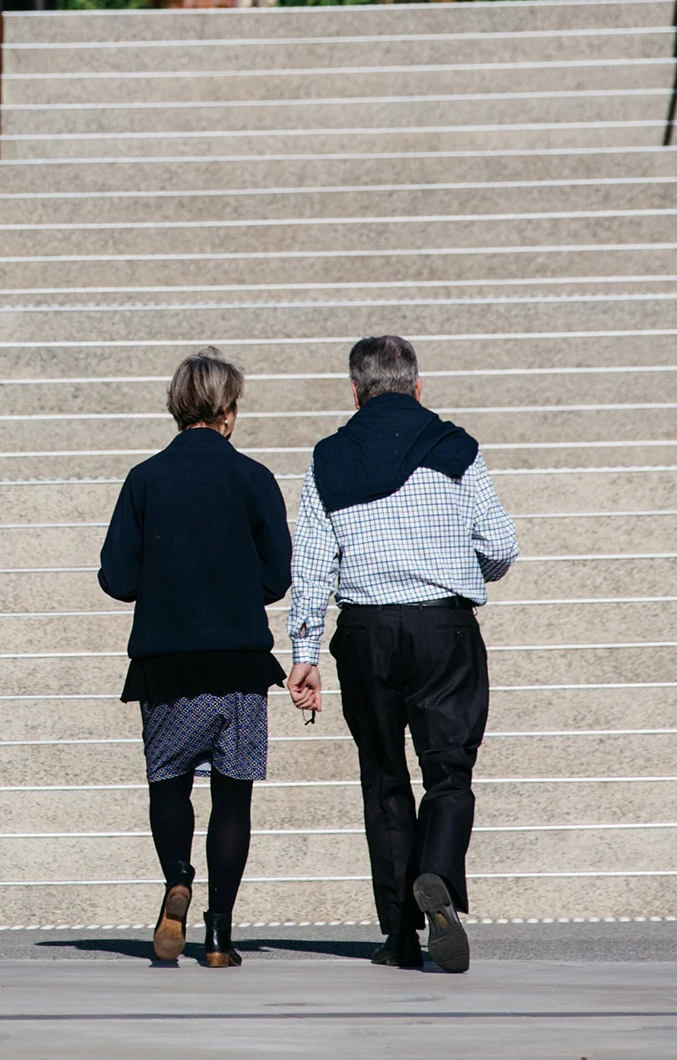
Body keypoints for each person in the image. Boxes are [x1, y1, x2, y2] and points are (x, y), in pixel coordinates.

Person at [286, 334, 517, 974]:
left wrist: (304, 651)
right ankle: (437, 873)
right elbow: (501, 546)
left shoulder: (329, 458)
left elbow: (310, 565)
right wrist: (451, 567)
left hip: (364, 635)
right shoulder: (455, 448)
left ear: (355, 392)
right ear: (418, 388)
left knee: (384, 780)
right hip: (444, 630)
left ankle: (397, 937)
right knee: (449, 773)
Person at [97, 349, 291, 969]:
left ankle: (177, 878)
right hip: (238, 661)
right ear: (228, 413)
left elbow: (116, 578)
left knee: (170, 783)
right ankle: (219, 936)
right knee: (233, 799)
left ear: (177, 409)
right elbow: (277, 577)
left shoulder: (144, 479)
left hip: (167, 663)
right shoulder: (255, 478)